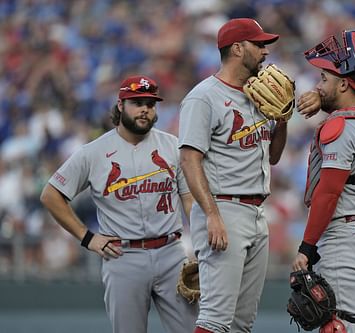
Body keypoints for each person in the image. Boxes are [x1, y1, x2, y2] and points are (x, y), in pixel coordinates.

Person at [39, 75, 198, 333]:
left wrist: (200, 240)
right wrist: (87, 237)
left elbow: (189, 198)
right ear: (121, 105)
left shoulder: (172, 146)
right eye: (137, 102)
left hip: (172, 252)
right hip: (124, 257)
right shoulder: (93, 152)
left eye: (151, 103)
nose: (145, 109)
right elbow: (51, 194)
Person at [178, 18, 288, 333]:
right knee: (214, 319)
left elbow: (274, 156)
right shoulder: (204, 97)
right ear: (237, 48)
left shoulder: (261, 95)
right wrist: (211, 215)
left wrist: (282, 121)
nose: (266, 51)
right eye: (259, 44)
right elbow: (189, 160)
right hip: (223, 208)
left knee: (241, 323)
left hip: (256, 210)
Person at [292, 30, 355, 333]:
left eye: (324, 79)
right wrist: (323, 98)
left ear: (345, 82)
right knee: (352, 325)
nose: (318, 86)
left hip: (344, 237)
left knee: (338, 328)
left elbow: (328, 192)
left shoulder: (339, 126)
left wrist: (306, 248)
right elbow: (345, 109)